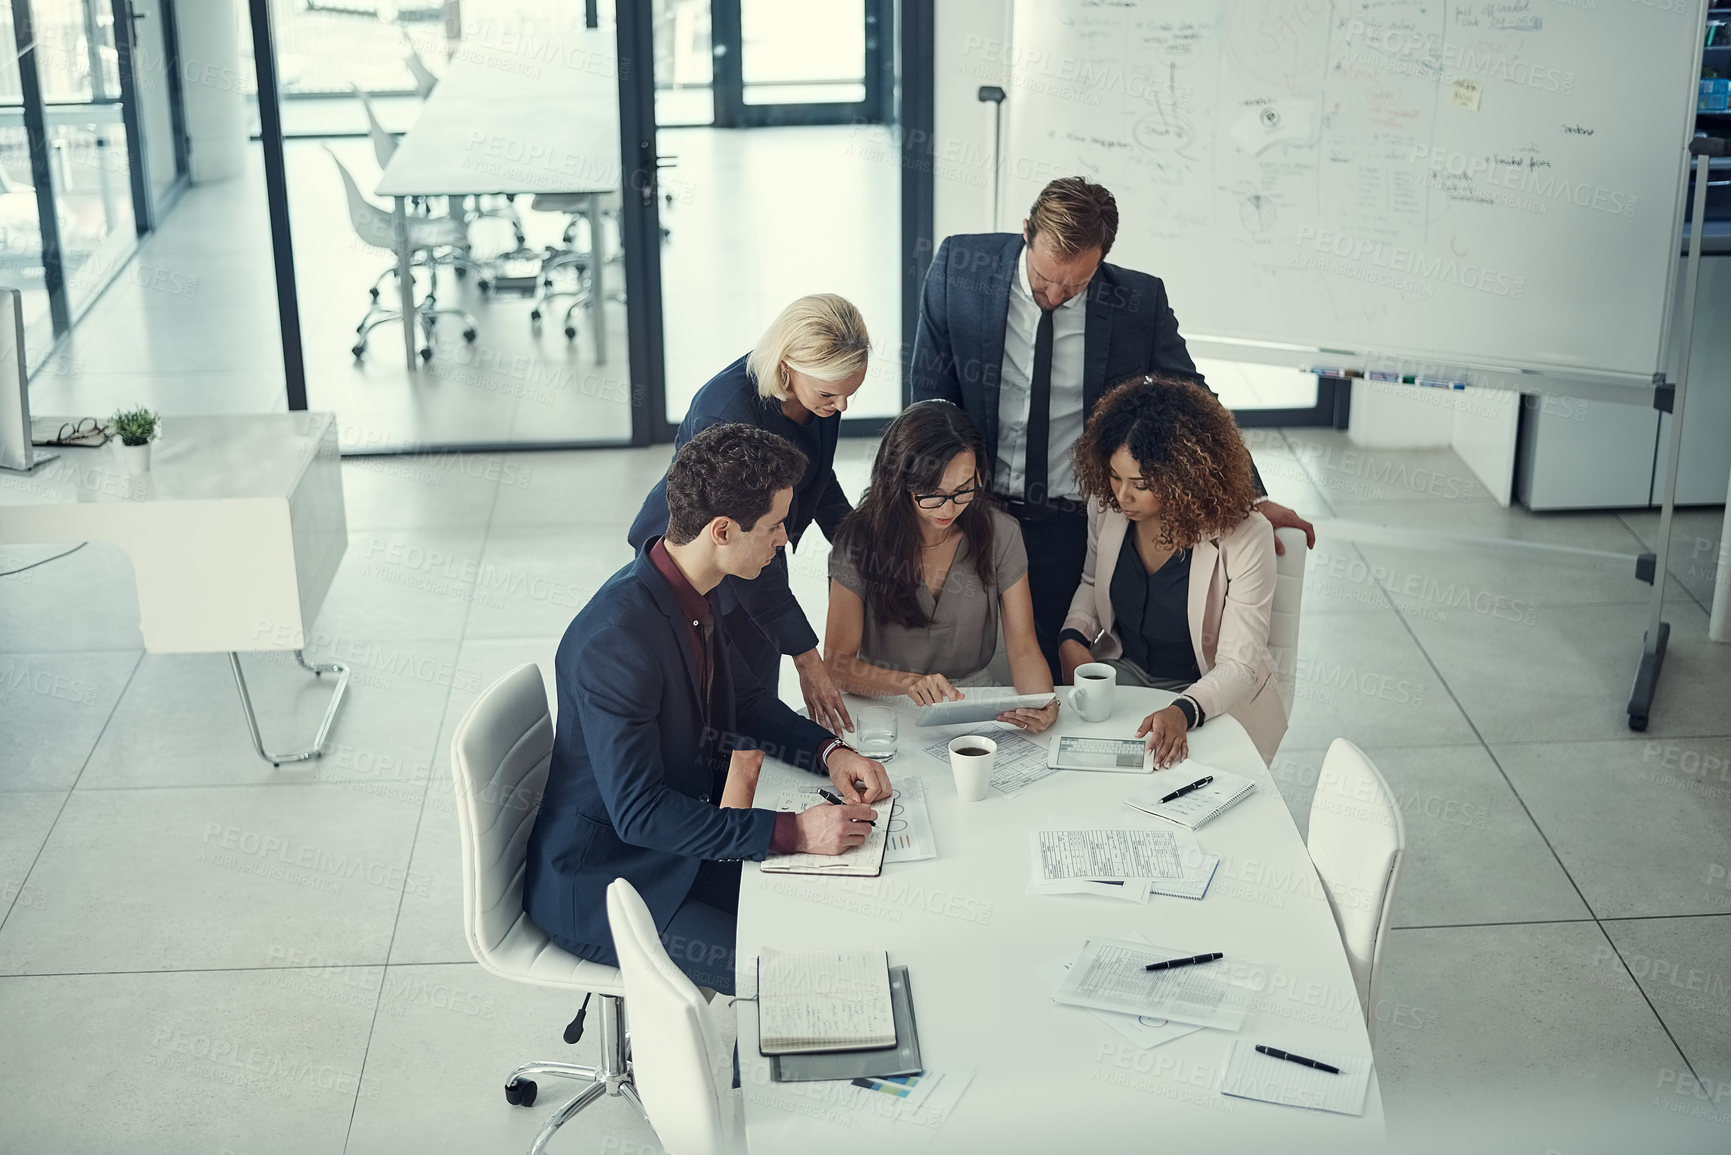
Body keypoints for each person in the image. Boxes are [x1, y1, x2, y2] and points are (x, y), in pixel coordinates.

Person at [527, 423, 892, 994]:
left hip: (678, 849)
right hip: (611, 882)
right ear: (722, 529)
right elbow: (640, 813)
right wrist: (794, 831)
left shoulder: (693, 588)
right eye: (775, 527)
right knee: (795, 982)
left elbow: (743, 700)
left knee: (833, 920)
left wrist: (830, 752)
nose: (783, 541)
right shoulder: (616, 642)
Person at [909, 176, 1315, 678]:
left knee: (1056, 673)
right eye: (1043, 277)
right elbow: (929, 400)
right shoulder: (958, 270)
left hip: (1072, 520)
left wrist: (1246, 495)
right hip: (976, 513)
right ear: (1025, 233)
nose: (1055, 294)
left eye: (1076, 284)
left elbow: (1194, 398)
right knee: (956, 668)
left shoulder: (1136, 303)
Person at [629, 293, 870, 736]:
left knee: (757, 702)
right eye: (830, 395)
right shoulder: (727, 415)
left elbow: (817, 471)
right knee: (717, 710)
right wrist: (806, 656)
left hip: (755, 546)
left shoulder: (819, 392)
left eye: (849, 393)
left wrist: (860, 544)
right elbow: (745, 549)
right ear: (787, 366)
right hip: (705, 565)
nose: (841, 408)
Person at [1061, 375, 1289, 766]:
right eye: (1115, 476)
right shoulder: (1106, 508)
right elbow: (1092, 581)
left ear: (1184, 477)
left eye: (1141, 483)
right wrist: (1071, 637)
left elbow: (1239, 664)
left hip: (1210, 694)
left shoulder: (1247, 537)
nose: (1122, 495)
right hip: (1127, 675)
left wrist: (1184, 710)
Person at [823, 400, 1059, 733]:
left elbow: (1023, 646)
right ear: (898, 482)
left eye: (963, 491)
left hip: (974, 697)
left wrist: (1043, 703)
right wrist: (908, 683)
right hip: (886, 704)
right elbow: (837, 666)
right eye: (932, 494)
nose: (948, 509)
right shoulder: (859, 540)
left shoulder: (1001, 532)